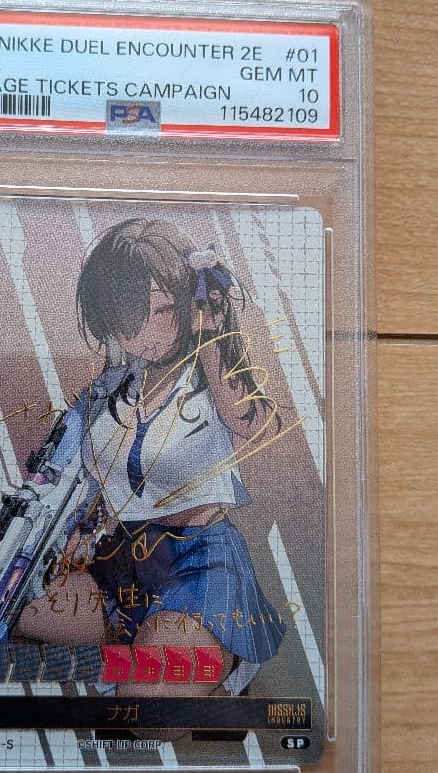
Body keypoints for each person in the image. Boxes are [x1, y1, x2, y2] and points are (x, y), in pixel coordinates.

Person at [14, 217, 286, 700]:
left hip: (197, 561)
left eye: (161, 310)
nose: (146, 335)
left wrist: (213, 336)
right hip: (115, 561)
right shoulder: (108, 392)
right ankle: (147, 664)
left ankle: (212, 673)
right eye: (130, 320)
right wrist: (73, 532)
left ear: (187, 302)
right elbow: (70, 474)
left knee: (145, 704)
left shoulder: (210, 376)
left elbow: (254, 423)